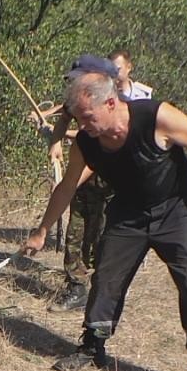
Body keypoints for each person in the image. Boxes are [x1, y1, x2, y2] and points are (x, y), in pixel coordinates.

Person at [22, 66, 187, 371]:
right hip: (128, 212)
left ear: (110, 103)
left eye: (87, 117)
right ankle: (92, 346)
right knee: (107, 276)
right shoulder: (87, 142)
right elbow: (67, 186)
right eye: (78, 119)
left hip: (176, 209)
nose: (83, 126)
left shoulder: (156, 116)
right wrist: (41, 230)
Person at [43, 54, 119, 312]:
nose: (72, 85)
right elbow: (64, 118)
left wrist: (70, 183)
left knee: (102, 238)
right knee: (75, 233)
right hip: (81, 172)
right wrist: (55, 143)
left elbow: (97, 157)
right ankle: (76, 288)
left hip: (108, 183)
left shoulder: (112, 106)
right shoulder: (76, 101)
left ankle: (104, 293)